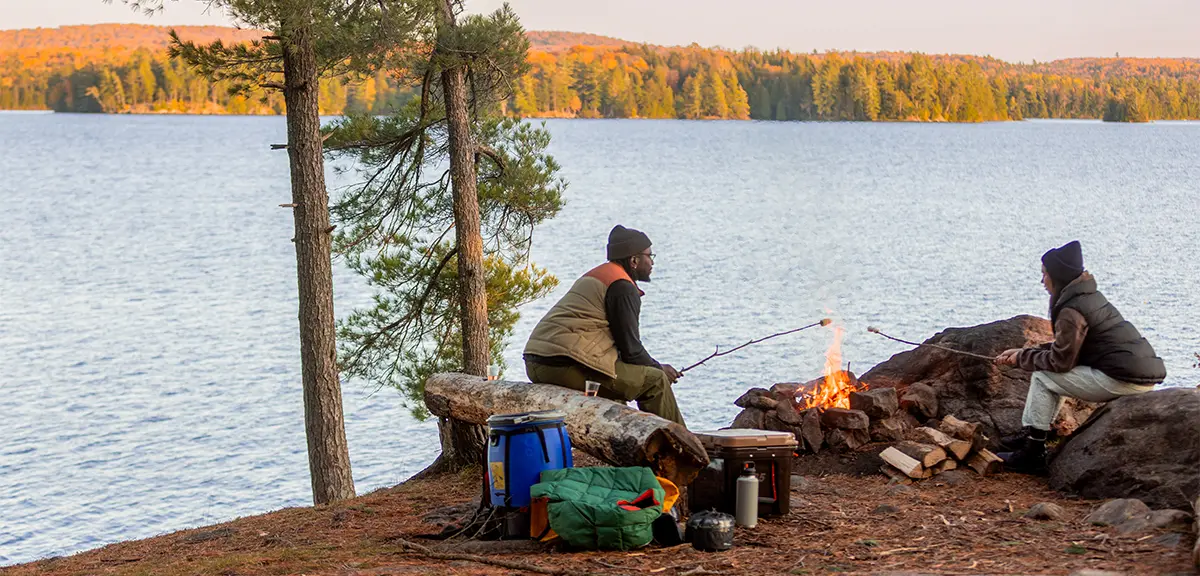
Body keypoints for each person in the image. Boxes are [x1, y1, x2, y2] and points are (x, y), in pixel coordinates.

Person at [994, 240, 1166, 474]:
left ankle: (1033, 451)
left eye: (1044, 275)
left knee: (1044, 375)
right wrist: (1024, 353)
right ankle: (1035, 435)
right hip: (1137, 376)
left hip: (1123, 380)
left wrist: (1022, 359)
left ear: (1058, 276)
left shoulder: (1071, 310)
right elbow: (1068, 349)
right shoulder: (1088, 297)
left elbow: (1061, 362)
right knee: (1052, 375)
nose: (1042, 281)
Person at [523, 225, 686, 426]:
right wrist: (659, 368)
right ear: (634, 260)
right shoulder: (622, 287)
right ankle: (681, 451)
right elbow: (631, 350)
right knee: (655, 382)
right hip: (561, 365)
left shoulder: (601, 275)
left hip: (538, 361)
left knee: (618, 394)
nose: (652, 262)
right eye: (649, 256)